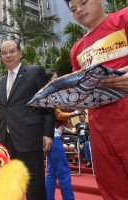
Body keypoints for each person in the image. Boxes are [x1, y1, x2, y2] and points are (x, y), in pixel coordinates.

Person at [65, 0, 128, 198]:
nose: (79, 10)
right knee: (111, 184)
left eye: (83, 2)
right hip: (98, 123)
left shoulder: (123, 18)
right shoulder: (76, 49)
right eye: (73, 9)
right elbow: (80, 86)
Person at [0, 40, 55, 200]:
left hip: (29, 138)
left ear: (20, 53)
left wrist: (48, 133)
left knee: (34, 186)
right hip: (5, 140)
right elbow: (1, 110)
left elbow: (47, 104)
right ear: (1, 56)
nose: (8, 55)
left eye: (12, 51)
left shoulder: (34, 72)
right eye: (4, 53)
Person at [45, 70, 82, 200]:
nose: (58, 79)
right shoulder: (51, 95)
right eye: (55, 78)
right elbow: (59, 115)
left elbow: (63, 110)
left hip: (52, 137)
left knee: (51, 173)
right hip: (54, 139)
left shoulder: (50, 95)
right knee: (64, 173)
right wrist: (76, 112)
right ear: (49, 81)